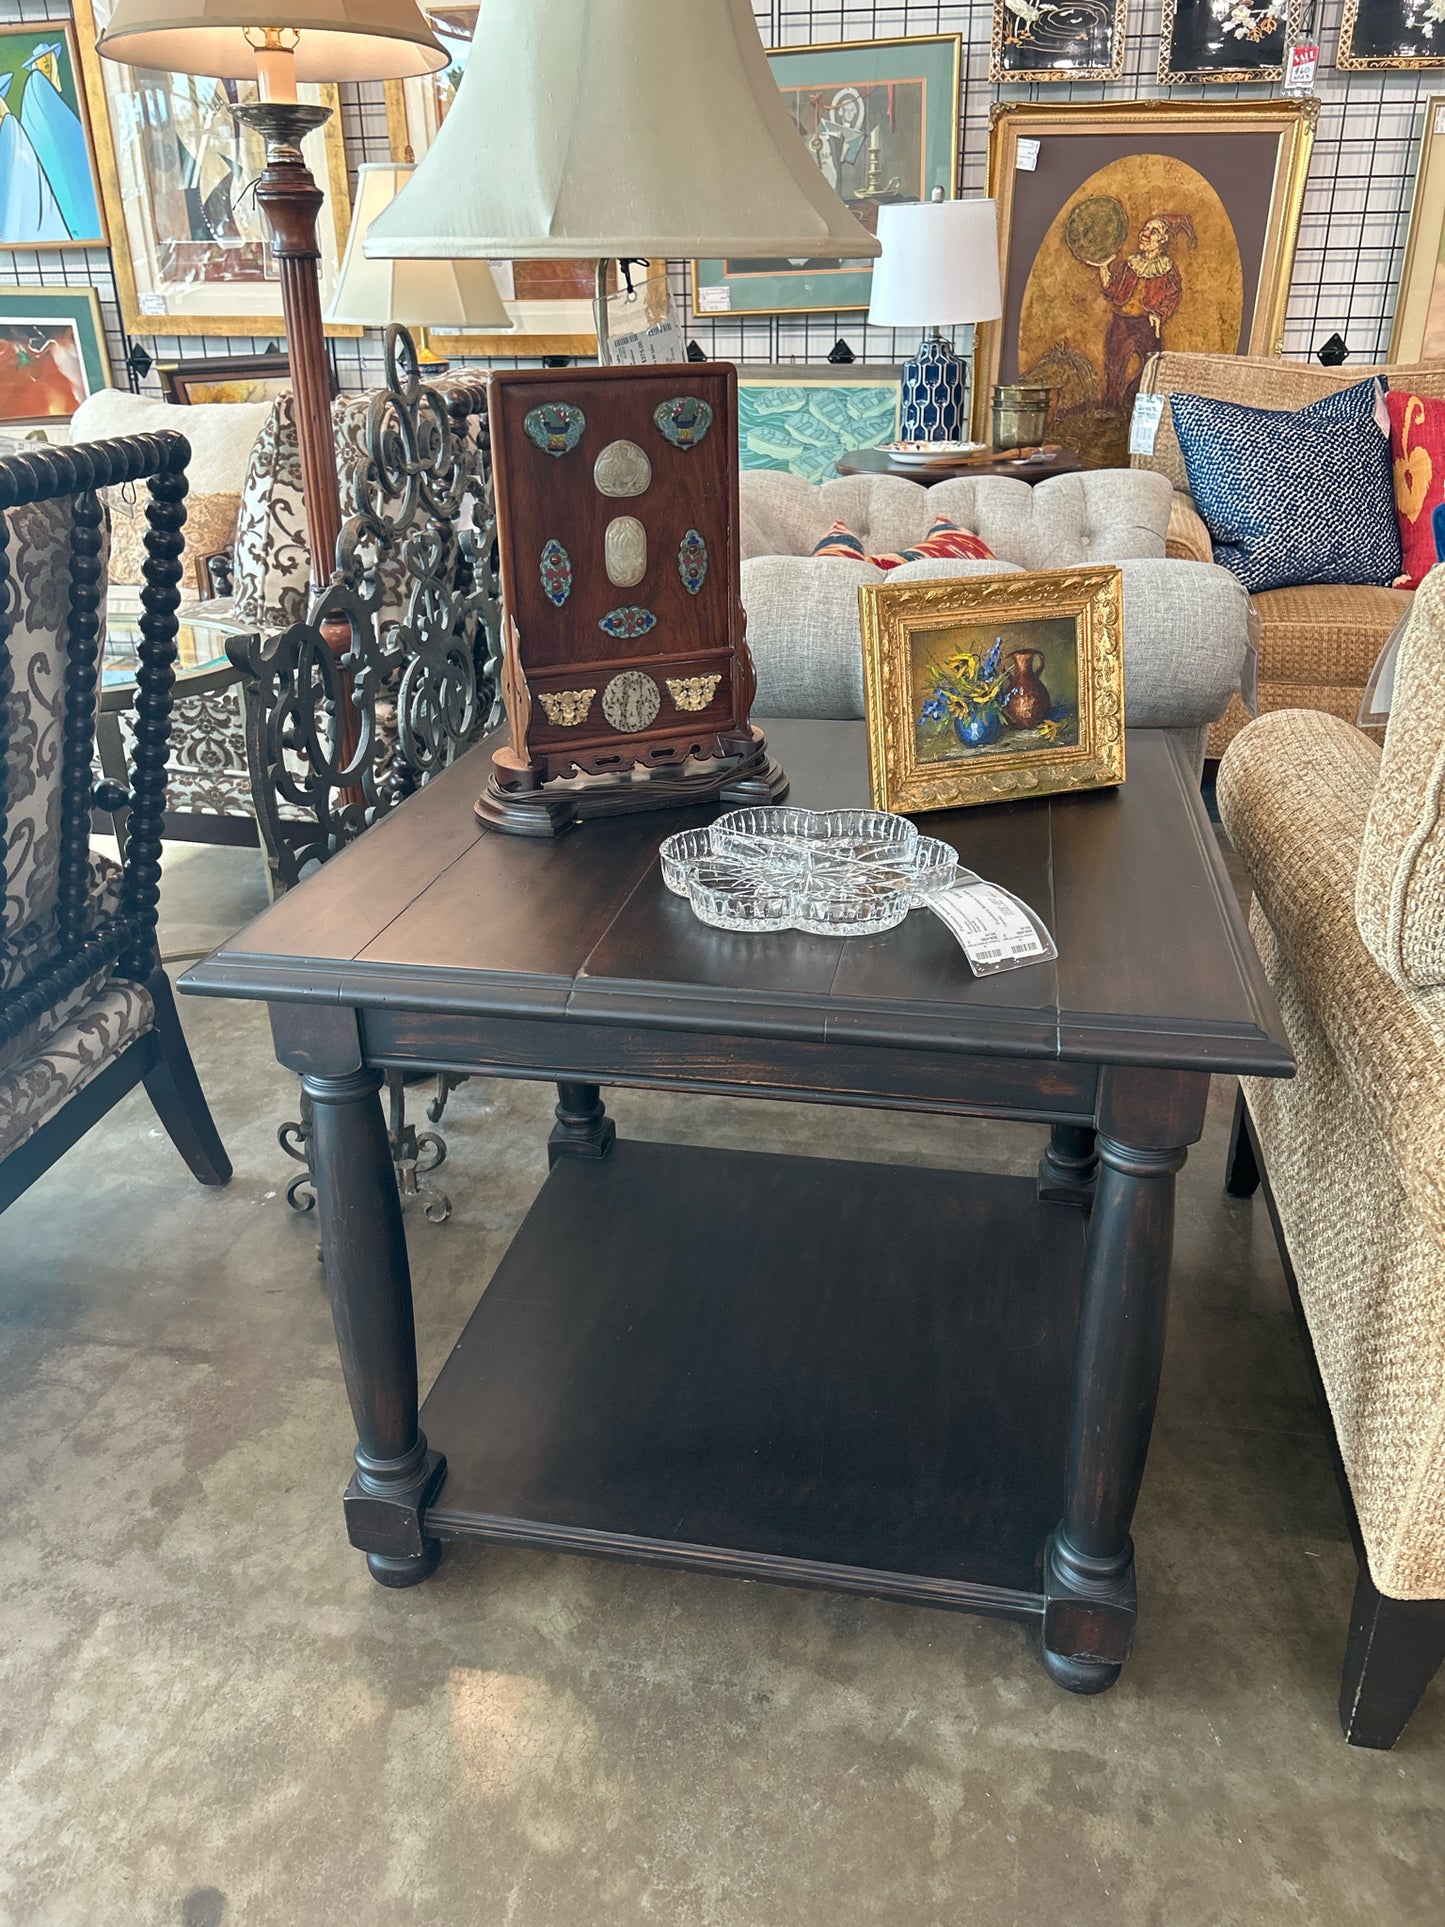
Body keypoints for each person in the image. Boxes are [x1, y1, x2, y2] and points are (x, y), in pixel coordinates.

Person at [1096, 212, 1196, 412]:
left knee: (1155, 363)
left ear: (1163, 239)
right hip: (1122, 322)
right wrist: (1104, 271)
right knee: (1114, 366)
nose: (1146, 233)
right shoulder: (1129, 265)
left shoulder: (1167, 269)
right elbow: (1114, 292)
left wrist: (1159, 314)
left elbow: (1172, 296)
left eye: (1154, 231)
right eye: (1145, 229)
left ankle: (1132, 395)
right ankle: (1111, 409)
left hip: (1146, 324)